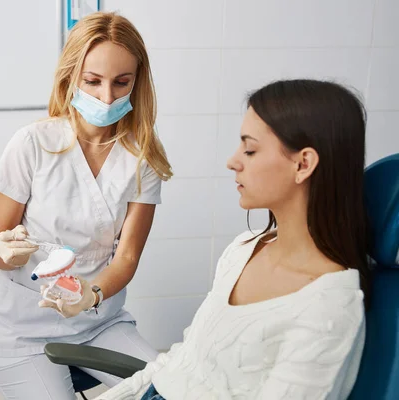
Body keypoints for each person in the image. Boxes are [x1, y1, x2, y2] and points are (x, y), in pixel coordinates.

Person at [97, 79, 371, 399]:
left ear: (303, 164)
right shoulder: (244, 249)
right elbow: (184, 361)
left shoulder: (328, 307)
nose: (233, 161)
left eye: (250, 149)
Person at [0, 11, 173, 399]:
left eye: (121, 82)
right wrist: (6, 251)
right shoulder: (33, 143)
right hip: (23, 327)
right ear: (71, 77)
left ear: (137, 82)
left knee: (167, 392)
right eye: (93, 81)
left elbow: (127, 258)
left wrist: (91, 295)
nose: (107, 96)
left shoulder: (142, 157)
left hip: (99, 320)